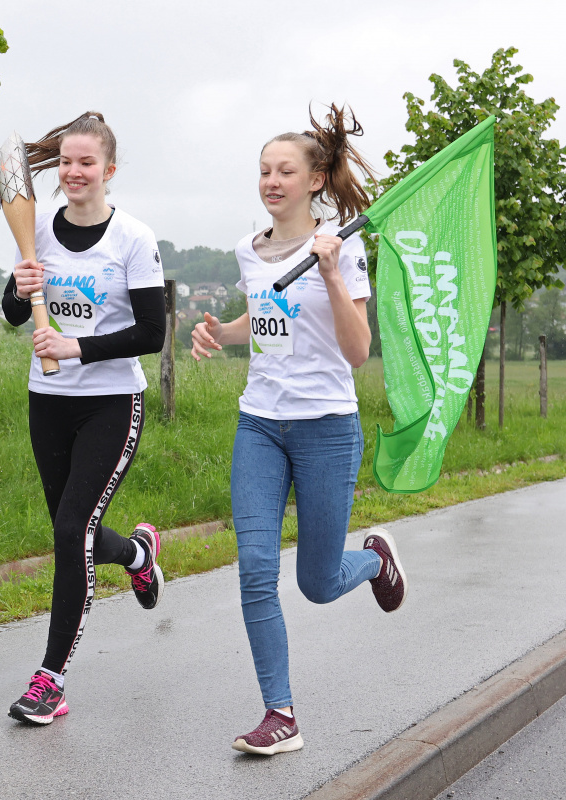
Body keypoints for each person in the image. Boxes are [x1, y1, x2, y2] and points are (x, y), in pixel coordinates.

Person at [190, 105, 408, 755]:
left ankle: (373, 561)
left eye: (285, 171)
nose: (271, 181)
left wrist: (332, 272)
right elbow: (266, 321)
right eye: (264, 170)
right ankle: (279, 713)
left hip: (327, 427)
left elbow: (357, 350)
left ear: (315, 180)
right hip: (260, 424)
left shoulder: (343, 246)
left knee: (317, 583)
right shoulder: (248, 250)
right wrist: (220, 332)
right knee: (256, 568)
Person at [1, 111, 167, 725]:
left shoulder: (133, 239)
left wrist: (77, 347)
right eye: (66, 162)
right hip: (47, 401)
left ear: (109, 170)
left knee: (72, 530)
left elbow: (151, 333)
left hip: (111, 403)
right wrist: (18, 286)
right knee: (77, 532)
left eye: (86, 162)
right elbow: (13, 315)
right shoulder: (37, 228)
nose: (74, 171)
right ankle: (139, 556)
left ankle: (51, 680)